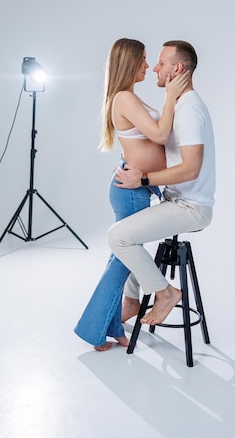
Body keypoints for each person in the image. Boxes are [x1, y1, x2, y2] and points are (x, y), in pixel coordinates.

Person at [74, 38, 189, 351]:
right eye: (143, 60)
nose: (148, 66)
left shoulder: (129, 98)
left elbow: (150, 141)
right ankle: (92, 328)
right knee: (121, 263)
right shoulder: (124, 98)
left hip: (138, 188)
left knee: (120, 259)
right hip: (133, 193)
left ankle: (110, 326)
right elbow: (161, 135)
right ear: (129, 63)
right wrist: (170, 96)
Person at [109, 40, 215, 326]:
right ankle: (132, 300)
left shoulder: (189, 109)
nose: (153, 67)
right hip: (175, 200)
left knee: (118, 237)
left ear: (176, 69)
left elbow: (191, 169)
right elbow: (151, 138)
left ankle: (165, 293)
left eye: (159, 62)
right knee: (127, 234)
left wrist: (142, 178)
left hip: (190, 207)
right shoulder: (178, 106)